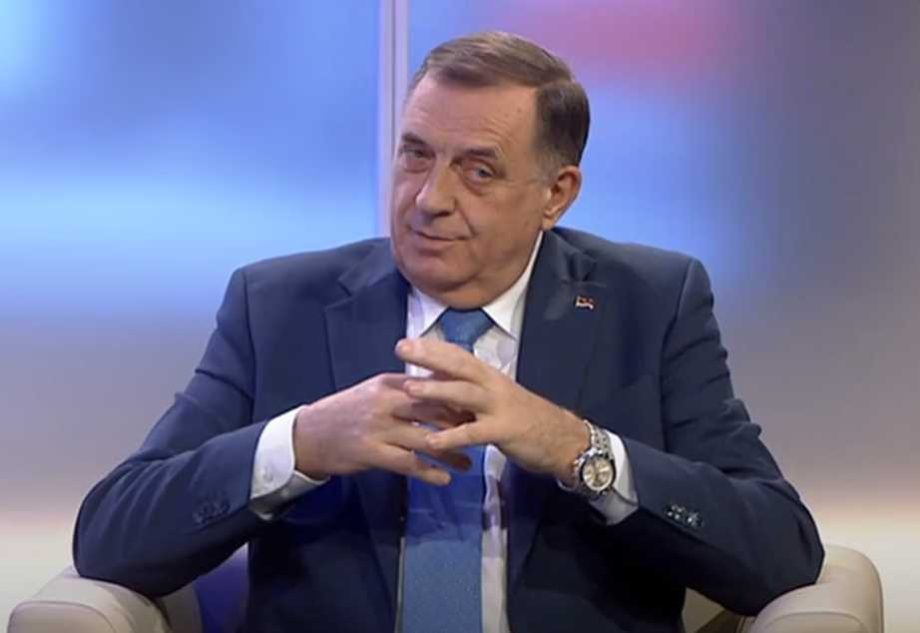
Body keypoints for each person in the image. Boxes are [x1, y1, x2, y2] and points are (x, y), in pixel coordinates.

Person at [73, 31, 823, 633]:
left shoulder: (651, 303)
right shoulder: (278, 306)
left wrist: (577, 448)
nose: (429, 198)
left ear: (556, 194)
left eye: (479, 171)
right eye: (416, 155)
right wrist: (299, 443)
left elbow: (780, 551)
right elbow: (112, 535)